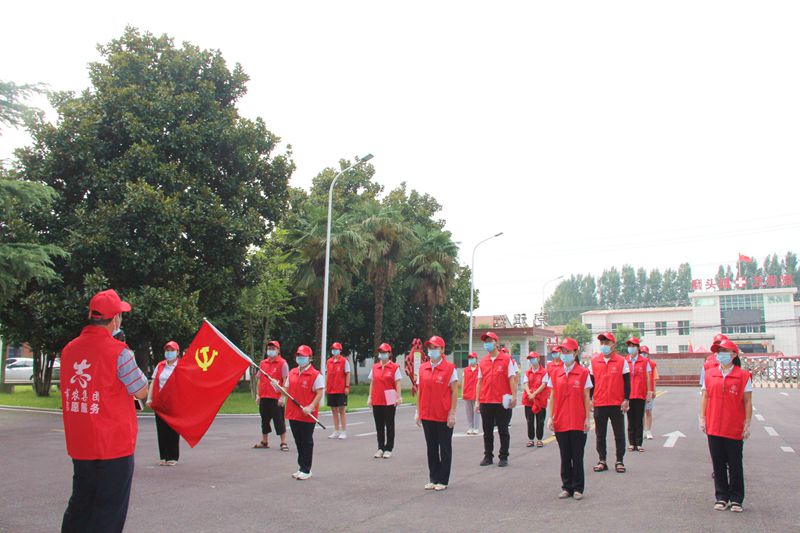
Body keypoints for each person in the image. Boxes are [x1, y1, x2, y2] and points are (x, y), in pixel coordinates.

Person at [60, 289, 149, 533]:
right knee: (109, 510)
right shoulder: (119, 352)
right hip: (114, 445)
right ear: (115, 319)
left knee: (80, 504)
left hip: (81, 443)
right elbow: (141, 391)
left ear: (91, 315)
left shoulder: (69, 350)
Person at [699, 339, 752, 512]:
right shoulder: (710, 374)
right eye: (718, 351)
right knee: (718, 463)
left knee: (735, 464)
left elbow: (747, 402)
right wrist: (702, 417)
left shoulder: (743, 375)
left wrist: (747, 423)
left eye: (724, 351)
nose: (720, 354)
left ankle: (736, 498)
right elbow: (705, 397)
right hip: (714, 424)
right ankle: (721, 497)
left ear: (734, 354)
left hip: (733, 426)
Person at [546, 337, 592, 500]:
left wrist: (587, 418)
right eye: (562, 352)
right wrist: (551, 417)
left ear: (575, 352)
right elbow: (552, 396)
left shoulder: (583, 373)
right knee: (565, 455)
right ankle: (567, 486)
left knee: (577, 456)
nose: (564, 355)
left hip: (578, 421)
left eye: (567, 351)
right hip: (561, 420)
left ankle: (578, 487)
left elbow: (587, 397)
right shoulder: (556, 372)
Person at [415, 335, 459, 491]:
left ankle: (443, 480)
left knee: (444, 448)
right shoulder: (423, 368)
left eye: (435, 348)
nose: (432, 351)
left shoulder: (449, 368)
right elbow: (420, 391)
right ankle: (433, 478)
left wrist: (452, 413)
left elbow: (454, 391)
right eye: (430, 348)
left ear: (442, 350)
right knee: (431, 448)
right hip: (427, 415)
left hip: (443, 415)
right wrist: (418, 411)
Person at [475, 331, 518, 467]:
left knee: (503, 430)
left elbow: (512, 379)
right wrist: (477, 401)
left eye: (489, 341)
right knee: (487, 432)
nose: (487, 344)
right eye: (485, 341)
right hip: (486, 401)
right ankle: (488, 456)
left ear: (496, 343)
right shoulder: (483, 361)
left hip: (502, 402)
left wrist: (514, 396)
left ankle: (503, 456)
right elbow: (479, 382)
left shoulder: (506, 360)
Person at [590, 332, 630, 474]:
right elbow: (591, 383)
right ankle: (602, 460)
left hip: (616, 403)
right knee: (600, 434)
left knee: (619, 433)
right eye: (602, 343)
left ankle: (619, 460)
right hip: (600, 402)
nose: (604, 345)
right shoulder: (594, 361)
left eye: (607, 343)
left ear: (613, 344)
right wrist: (590, 400)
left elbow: (627, 382)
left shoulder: (621, 361)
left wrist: (626, 399)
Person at [283, 345, 324, 480]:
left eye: (303, 356)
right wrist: (276, 387)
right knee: (298, 441)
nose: (300, 358)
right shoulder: (293, 372)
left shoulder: (315, 375)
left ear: (310, 358)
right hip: (293, 412)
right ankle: (301, 466)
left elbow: (319, 393)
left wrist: (311, 406)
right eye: (298, 356)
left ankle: (307, 469)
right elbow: (286, 389)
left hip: (306, 414)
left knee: (306, 441)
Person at [146, 341, 182, 465]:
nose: (169, 353)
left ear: (177, 352)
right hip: (160, 402)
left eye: (172, 350)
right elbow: (154, 381)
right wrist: (149, 398)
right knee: (161, 429)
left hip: (174, 402)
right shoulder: (160, 366)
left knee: (172, 429)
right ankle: (164, 456)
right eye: (167, 350)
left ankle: (172, 457)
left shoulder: (181, 366)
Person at [368, 342, 402, 458]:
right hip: (377, 398)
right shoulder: (375, 367)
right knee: (379, 425)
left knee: (389, 424)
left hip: (390, 397)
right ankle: (380, 447)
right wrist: (370, 397)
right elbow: (372, 383)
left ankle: (389, 448)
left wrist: (398, 396)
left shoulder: (394, 367)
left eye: (384, 352)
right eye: (380, 352)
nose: (382, 355)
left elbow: (397, 383)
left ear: (389, 353)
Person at [254, 340, 289, 451]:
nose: (271, 350)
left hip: (276, 397)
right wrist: (258, 395)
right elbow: (259, 379)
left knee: (279, 420)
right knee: (264, 420)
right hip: (264, 396)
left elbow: (286, 380)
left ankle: (283, 442)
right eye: (269, 348)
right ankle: (264, 441)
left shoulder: (282, 363)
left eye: (273, 348)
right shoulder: (263, 363)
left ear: (278, 350)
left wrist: (283, 396)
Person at [625, 337, 652, 452]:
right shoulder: (625, 361)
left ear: (638, 348)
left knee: (639, 419)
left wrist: (649, 391)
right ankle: (632, 443)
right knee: (630, 419)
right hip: (629, 394)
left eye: (633, 346)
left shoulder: (644, 361)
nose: (631, 348)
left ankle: (639, 443)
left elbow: (647, 377)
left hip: (640, 394)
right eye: (629, 346)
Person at [326, 341, 351, 440]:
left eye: (336, 349)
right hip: (331, 389)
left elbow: (347, 373)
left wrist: (347, 386)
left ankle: (343, 431)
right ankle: (336, 430)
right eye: (333, 349)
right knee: (333, 410)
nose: (334, 351)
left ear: (340, 350)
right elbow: (328, 374)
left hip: (340, 389)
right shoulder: (329, 361)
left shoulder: (344, 361)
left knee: (342, 410)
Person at [522, 352, 547, 447]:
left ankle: (539, 439)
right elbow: (525, 383)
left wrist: (535, 394)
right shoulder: (527, 372)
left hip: (540, 400)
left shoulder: (544, 372)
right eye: (530, 359)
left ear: (538, 359)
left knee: (540, 420)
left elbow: (544, 384)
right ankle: (531, 439)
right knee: (529, 420)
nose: (532, 360)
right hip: (529, 400)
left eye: (533, 358)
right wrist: (529, 394)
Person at [461, 352, 481, 435]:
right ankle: (470, 427)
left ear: (476, 359)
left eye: (472, 358)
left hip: (477, 393)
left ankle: (476, 428)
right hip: (467, 392)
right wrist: (462, 392)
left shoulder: (480, 369)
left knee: (476, 410)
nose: (471, 360)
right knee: (468, 411)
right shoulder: (466, 370)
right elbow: (463, 381)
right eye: (470, 358)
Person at [641, 345, 658, 440]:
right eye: (642, 353)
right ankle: (643, 430)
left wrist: (654, 391)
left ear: (648, 354)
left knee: (648, 411)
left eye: (645, 353)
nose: (643, 354)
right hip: (639, 391)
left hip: (649, 392)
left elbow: (654, 378)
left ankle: (648, 430)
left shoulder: (652, 364)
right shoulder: (637, 363)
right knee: (641, 412)